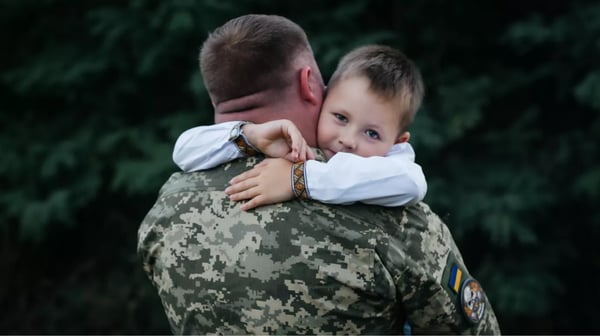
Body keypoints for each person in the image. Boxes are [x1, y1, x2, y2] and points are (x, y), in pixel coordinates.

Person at [137, 14, 501, 334]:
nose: (349, 139)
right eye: (341, 116)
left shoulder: (164, 213)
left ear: (216, 99)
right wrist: (301, 176)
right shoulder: (388, 217)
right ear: (309, 82)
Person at [172, 44, 428, 211]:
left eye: (372, 133)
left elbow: (411, 184)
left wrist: (298, 178)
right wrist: (250, 135)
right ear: (323, 98)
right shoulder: (290, 137)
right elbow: (184, 150)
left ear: (397, 142)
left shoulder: (394, 164)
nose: (348, 140)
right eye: (340, 117)